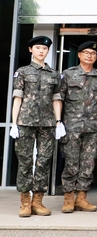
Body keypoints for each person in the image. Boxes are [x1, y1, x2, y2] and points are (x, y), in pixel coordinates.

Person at [10, 36, 63, 217]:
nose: (41, 51)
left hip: (47, 123)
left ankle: (38, 201)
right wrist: (14, 122)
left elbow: (56, 99)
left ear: (48, 51)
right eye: (38, 48)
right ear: (31, 50)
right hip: (25, 122)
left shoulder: (54, 74)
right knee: (25, 161)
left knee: (43, 161)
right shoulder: (22, 72)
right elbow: (17, 97)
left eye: (44, 48)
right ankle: (25, 201)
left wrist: (58, 121)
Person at [57, 41, 97, 213]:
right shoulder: (68, 75)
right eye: (86, 53)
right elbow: (59, 99)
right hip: (72, 126)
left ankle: (82, 198)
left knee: (88, 163)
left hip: (93, 127)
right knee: (71, 162)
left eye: (92, 53)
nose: (89, 56)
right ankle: (68, 198)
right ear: (79, 55)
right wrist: (58, 122)